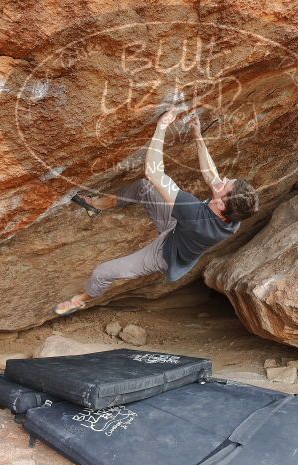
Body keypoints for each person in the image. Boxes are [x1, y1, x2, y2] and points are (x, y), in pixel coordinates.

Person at [54, 107, 259, 315]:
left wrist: (162, 126)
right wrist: (198, 136)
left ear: (222, 205)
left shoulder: (194, 213)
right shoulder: (234, 216)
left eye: (226, 185)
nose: (223, 180)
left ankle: (81, 299)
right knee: (144, 188)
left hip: (164, 253)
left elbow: (154, 172)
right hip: (178, 228)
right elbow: (211, 176)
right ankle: (97, 206)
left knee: (102, 272)